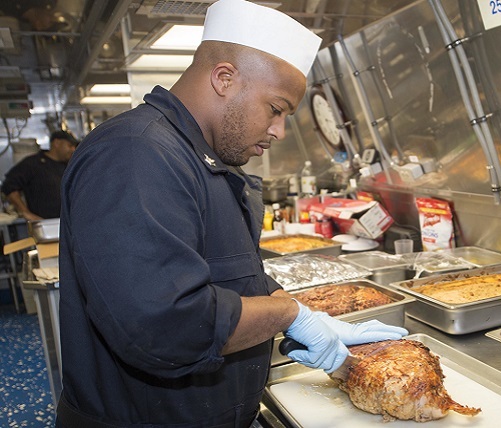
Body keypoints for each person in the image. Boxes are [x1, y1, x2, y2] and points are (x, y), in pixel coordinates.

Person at [56, 1, 407, 427]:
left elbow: (233, 276)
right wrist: (288, 315)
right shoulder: (135, 153)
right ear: (224, 78)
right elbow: (165, 326)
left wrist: (302, 313)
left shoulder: (207, 162)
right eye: (276, 109)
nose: (278, 131)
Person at [1, 129, 78, 220]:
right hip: (44, 224)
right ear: (56, 143)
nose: (73, 150)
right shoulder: (33, 164)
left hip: (69, 223)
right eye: (70, 146)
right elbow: (9, 186)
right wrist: (25, 212)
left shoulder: (69, 166)